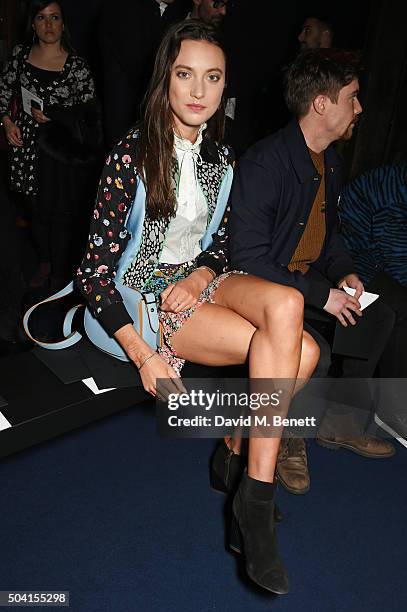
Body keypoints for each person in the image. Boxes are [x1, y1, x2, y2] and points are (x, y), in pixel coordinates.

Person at [77, 20, 320, 594]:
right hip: (145, 290)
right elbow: (92, 272)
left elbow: (219, 243)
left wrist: (204, 274)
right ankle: (247, 487)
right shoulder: (131, 155)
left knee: (286, 305)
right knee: (300, 355)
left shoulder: (221, 158)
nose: (198, 91)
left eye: (213, 78)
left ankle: (247, 486)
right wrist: (143, 356)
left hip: (201, 279)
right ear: (166, 79)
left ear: (224, 87)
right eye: (185, 74)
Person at [229, 48, 395, 496]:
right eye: (353, 97)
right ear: (321, 103)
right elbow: (246, 258)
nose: (360, 108)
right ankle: (288, 436)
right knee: (314, 347)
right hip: (265, 291)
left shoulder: (331, 162)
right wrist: (321, 297)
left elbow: (329, 236)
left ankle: (338, 421)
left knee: (375, 314)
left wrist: (344, 273)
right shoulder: (265, 163)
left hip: (304, 284)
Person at [0, 0, 102, 293]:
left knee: (59, 214)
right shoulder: (19, 57)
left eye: (54, 17)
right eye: (41, 18)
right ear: (32, 24)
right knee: (35, 212)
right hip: (25, 149)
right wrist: (7, 122)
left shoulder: (77, 65)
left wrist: (56, 115)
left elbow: (90, 114)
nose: (48, 25)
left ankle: (59, 272)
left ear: (63, 23)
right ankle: (45, 260)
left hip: (59, 154)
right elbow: (3, 94)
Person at [98, 0, 189, 149]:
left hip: (160, 120)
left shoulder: (179, 11)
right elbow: (139, 66)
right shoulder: (123, 9)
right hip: (129, 121)